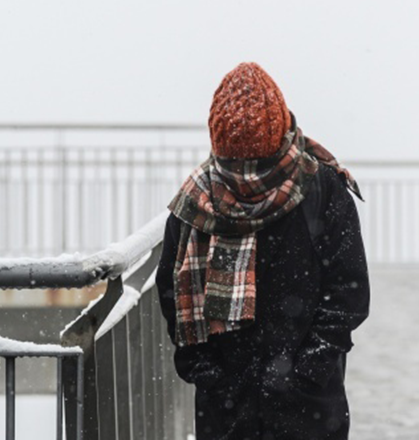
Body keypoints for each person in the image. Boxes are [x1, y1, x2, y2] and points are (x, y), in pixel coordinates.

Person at [156, 62, 370, 440]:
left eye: (257, 164)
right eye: (234, 165)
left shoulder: (322, 190)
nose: (245, 177)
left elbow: (348, 290)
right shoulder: (196, 201)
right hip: (226, 408)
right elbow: (172, 295)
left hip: (309, 407)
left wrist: (306, 370)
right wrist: (210, 375)